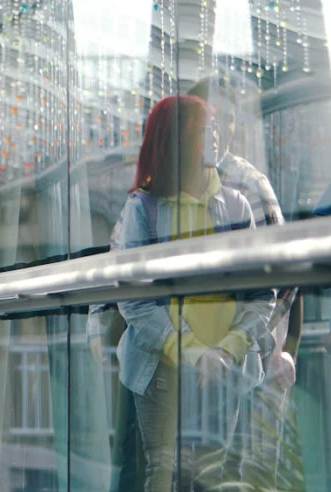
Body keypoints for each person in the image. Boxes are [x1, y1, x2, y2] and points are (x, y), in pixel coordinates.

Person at [114, 95, 274, 492]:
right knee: (162, 472)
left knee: (216, 473)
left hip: (225, 368)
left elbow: (261, 292)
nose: (214, 137)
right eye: (203, 130)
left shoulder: (236, 207)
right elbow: (134, 301)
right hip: (160, 369)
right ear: (177, 141)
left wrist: (227, 350)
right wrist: (190, 351)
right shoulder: (143, 210)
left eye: (214, 128)